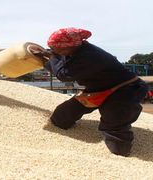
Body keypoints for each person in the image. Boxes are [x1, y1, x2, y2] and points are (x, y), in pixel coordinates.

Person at [40, 27, 148, 156]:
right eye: (51, 47)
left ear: (70, 46)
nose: (54, 50)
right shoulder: (72, 51)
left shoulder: (89, 56)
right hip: (98, 89)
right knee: (61, 116)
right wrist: (46, 55)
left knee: (114, 126)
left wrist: (51, 58)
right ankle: (61, 121)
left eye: (56, 48)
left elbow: (63, 74)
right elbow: (58, 57)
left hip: (125, 90)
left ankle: (122, 157)